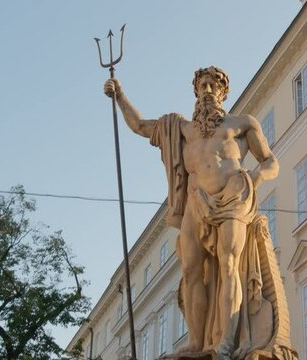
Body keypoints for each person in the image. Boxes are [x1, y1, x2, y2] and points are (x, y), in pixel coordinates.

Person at [104, 67, 282, 359]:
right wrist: (120, 96)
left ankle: (226, 341)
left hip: (233, 198)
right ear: (196, 92)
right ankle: (197, 343)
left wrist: (256, 178)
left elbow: (271, 162)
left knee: (228, 266)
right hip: (195, 203)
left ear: (223, 94)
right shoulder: (181, 130)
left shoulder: (241, 125)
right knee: (189, 272)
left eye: (213, 86)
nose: (208, 91)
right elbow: (139, 126)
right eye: (203, 86)